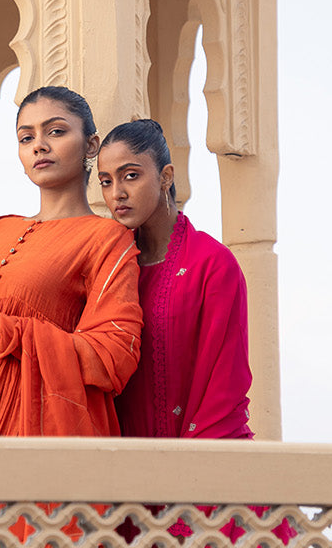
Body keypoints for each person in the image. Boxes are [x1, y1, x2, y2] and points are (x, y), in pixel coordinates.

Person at [0, 85, 142, 436]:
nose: (39, 145)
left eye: (56, 131)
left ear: (91, 145)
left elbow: (112, 357)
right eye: (26, 137)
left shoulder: (107, 239)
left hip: (27, 424)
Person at [97, 118, 253, 438]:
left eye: (131, 176)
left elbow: (225, 383)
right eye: (106, 181)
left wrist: (184, 470)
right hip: (123, 466)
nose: (118, 193)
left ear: (165, 176)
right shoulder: (109, 267)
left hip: (203, 460)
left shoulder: (212, 265)